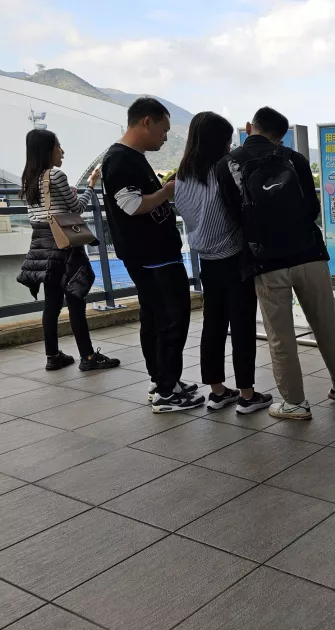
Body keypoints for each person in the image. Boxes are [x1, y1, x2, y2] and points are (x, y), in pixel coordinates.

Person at [216, 106, 335, 420]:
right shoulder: (295, 159)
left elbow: (233, 215)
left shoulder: (228, 164)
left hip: (265, 261)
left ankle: (295, 403)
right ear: (281, 135)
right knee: (326, 324)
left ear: (250, 127)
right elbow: (312, 207)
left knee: (281, 335)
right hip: (309, 254)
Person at [101, 97, 204, 412]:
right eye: (164, 129)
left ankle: (163, 380)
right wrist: (166, 192)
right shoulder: (120, 160)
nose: (165, 136)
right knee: (171, 320)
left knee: (157, 318)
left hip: (152, 254)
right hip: (152, 255)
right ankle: (165, 393)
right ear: (147, 121)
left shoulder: (131, 156)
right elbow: (132, 205)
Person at [174, 112, 272, 414]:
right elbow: (242, 210)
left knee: (213, 326)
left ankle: (217, 392)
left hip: (205, 260)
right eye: (228, 139)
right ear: (220, 141)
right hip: (234, 258)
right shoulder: (224, 171)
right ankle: (246, 394)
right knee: (242, 327)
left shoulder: (182, 176)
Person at [17, 129, 120, 372]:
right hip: (64, 245)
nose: (62, 151)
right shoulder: (55, 175)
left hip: (41, 246)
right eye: (58, 147)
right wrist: (91, 186)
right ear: (47, 150)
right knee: (76, 298)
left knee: (51, 303)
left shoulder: (28, 179)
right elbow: (76, 208)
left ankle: (53, 356)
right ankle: (88, 357)